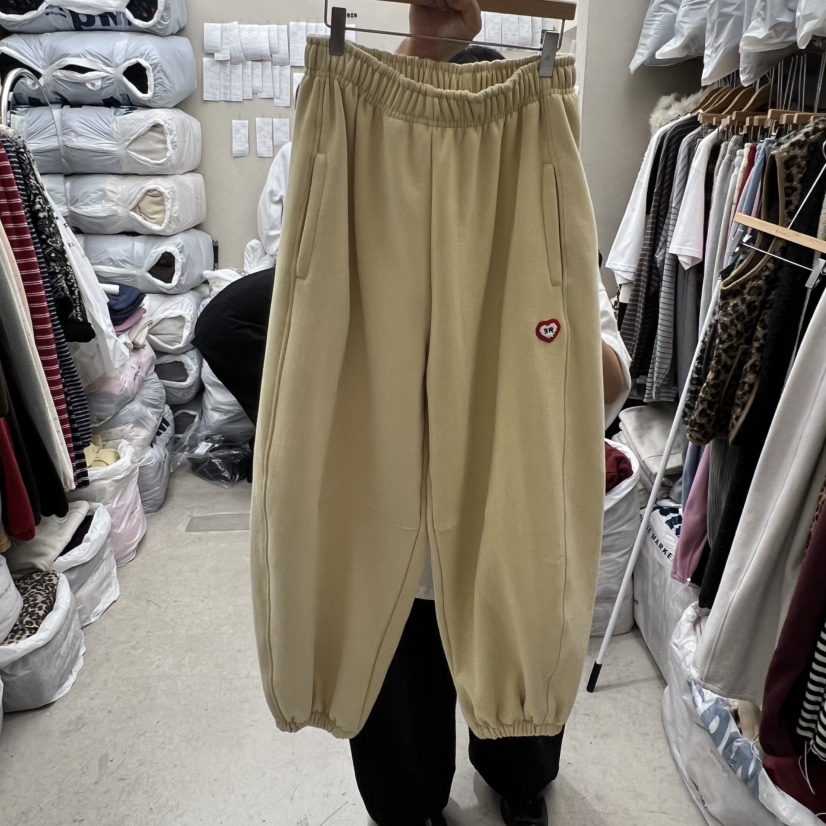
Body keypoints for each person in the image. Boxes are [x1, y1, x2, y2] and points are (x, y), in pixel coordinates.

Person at [204, 4, 630, 824]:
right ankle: (412, 803)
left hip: (503, 497)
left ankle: (518, 779)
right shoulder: (358, 175)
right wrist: (418, 56)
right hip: (386, 508)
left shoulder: (534, 184)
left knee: (522, 682)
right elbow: (233, 321)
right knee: (401, 732)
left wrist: (537, 353)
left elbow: (611, 370)